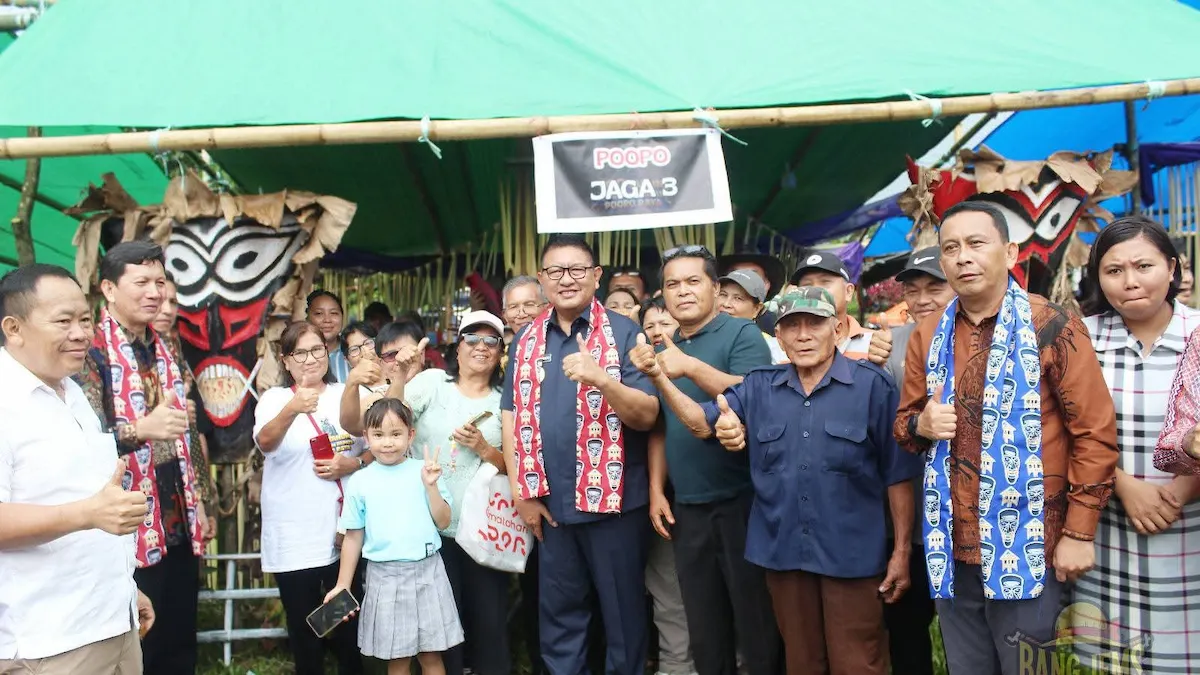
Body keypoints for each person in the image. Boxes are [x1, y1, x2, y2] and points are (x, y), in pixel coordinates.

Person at [893, 201, 1120, 675]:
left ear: (1010, 251)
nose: (961, 258)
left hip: (1031, 542)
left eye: (976, 243)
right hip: (951, 544)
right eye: (950, 248)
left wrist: (1079, 533)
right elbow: (905, 427)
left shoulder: (1052, 323)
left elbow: (1094, 434)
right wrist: (922, 425)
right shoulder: (928, 333)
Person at [650, 287, 920, 675]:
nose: (804, 335)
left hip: (852, 555)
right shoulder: (760, 387)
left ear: (837, 327)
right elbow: (700, 421)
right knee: (801, 661)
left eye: (815, 324)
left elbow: (898, 475)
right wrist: (658, 377)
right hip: (782, 553)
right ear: (779, 336)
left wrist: (900, 553)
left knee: (858, 661)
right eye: (792, 326)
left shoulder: (872, 387)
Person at [501, 234, 660, 675]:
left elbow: (647, 415)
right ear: (542, 279)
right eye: (555, 271)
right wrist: (522, 492)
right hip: (551, 507)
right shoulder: (525, 341)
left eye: (576, 270)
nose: (565, 279)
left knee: (623, 620)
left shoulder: (627, 332)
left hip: (615, 509)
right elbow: (511, 420)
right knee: (560, 621)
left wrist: (602, 379)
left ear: (595, 276)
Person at [629, 245, 781, 675]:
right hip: (688, 504)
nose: (683, 292)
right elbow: (663, 425)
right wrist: (658, 489)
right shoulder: (667, 344)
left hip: (743, 500)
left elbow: (757, 392)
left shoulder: (740, 333)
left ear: (715, 288)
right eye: (672, 284)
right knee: (704, 624)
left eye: (693, 281)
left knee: (755, 622)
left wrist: (687, 366)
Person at [0, 264, 155, 675]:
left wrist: (127, 590)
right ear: (14, 328)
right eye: (63, 321)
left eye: (85, 319)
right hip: (48, 645)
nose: (81, 333)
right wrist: (87, 514)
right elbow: (87, 509)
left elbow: (81, 495)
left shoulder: (72, 393)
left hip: (113, 626)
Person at [347, 311, 510, 675]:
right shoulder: (434, 382)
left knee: (490, 623)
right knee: (439, 634)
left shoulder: (505, 398)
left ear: (500, 351)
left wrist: (483, 447)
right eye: (472, 338)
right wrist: (401, 375)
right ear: (457, 346)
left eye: (491, 341)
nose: (480, 347)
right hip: (432, 530)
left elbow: (514, 466)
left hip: (486, 530)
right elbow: (388, 418)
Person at [74, 241, 207, 675]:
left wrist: (201, 497)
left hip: (178, 511)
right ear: (109, 289)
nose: (154, 293)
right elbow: (82, 441)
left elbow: (188, 425)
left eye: (160, 283)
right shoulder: (89, 351)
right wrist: (140, 431)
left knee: (180, 632)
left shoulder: (165, 344)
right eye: (142, 282)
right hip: (126, 519)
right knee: (137, 637)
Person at [1073, 217, 1200, 671]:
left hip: (1189, 531)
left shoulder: (1199, 335)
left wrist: (1182, 490)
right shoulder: (1079, 339)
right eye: (1113, 271)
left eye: (1143, 266)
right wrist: (1125, 486)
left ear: (1172, 268)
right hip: (1110, 530)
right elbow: (1061, 429)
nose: (1130, 282)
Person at [253, 321, 367, 675]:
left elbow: (378, 446)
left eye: (316, 349)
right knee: (306, 630)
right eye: (299, 352)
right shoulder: (274, 399)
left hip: (341, 534)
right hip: (295, 538)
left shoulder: (346, 394)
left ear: (327, 352)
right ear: (286, 360)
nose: (309, 359)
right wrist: (292, 409)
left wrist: (352, 463)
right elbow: (265, 443)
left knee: (345, 623)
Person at [325, 398, 462, 675]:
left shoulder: (424, 472)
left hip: (428, 572)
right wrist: (342, 584)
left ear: (410, 435)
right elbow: (353, 536)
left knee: (431, 656)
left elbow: (444, 520)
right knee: (397, 660)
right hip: (384, 577)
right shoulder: (361, 481)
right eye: (378, 435)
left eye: (396, 434)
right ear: (366, 437)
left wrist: (431, 487)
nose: (387, 442)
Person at [879, 246, 955, 675]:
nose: (923, 298)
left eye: (934, 287)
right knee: (906, 631)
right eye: (913, 289)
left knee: (969, 633)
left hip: (965, 518)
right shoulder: (892, 345)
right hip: (907, 510)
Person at [636, 298, 695, 675]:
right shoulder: (636, 371)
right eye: (650, 324)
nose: (658, 331)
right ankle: (676, 667)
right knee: (667, 591)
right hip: (658, 499)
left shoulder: (698, 364)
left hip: (705, 496)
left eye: (666, 322)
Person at [152, 274, 218, 548]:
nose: (167, 310)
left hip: (182, 491)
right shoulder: (105, 358)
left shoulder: (174, 356)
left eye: (173, 302)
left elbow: (193, 436)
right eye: (159, 301)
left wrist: (203, 501)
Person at [790, 250, 891, 364]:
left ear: (848, 292)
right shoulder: (786, 346)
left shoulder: (874, 344)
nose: (815, 291)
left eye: (825, 282)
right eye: (807, 285)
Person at [717, 268, 788, 364]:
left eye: (738, 298)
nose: (726, 304)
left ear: (757, 309)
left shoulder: (770, 347)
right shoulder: (698, 333)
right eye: (723, 294)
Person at [717, 247, 786, 334]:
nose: (741, 278)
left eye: (738, 298)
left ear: (766, 285)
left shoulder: (776, 329)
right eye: (723, 294)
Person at [308, 290, 349, 382]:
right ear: (307, 317)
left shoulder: (354, 351)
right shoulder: (297, 356)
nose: (327, 320)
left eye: (334, 313)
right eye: (319, 313)